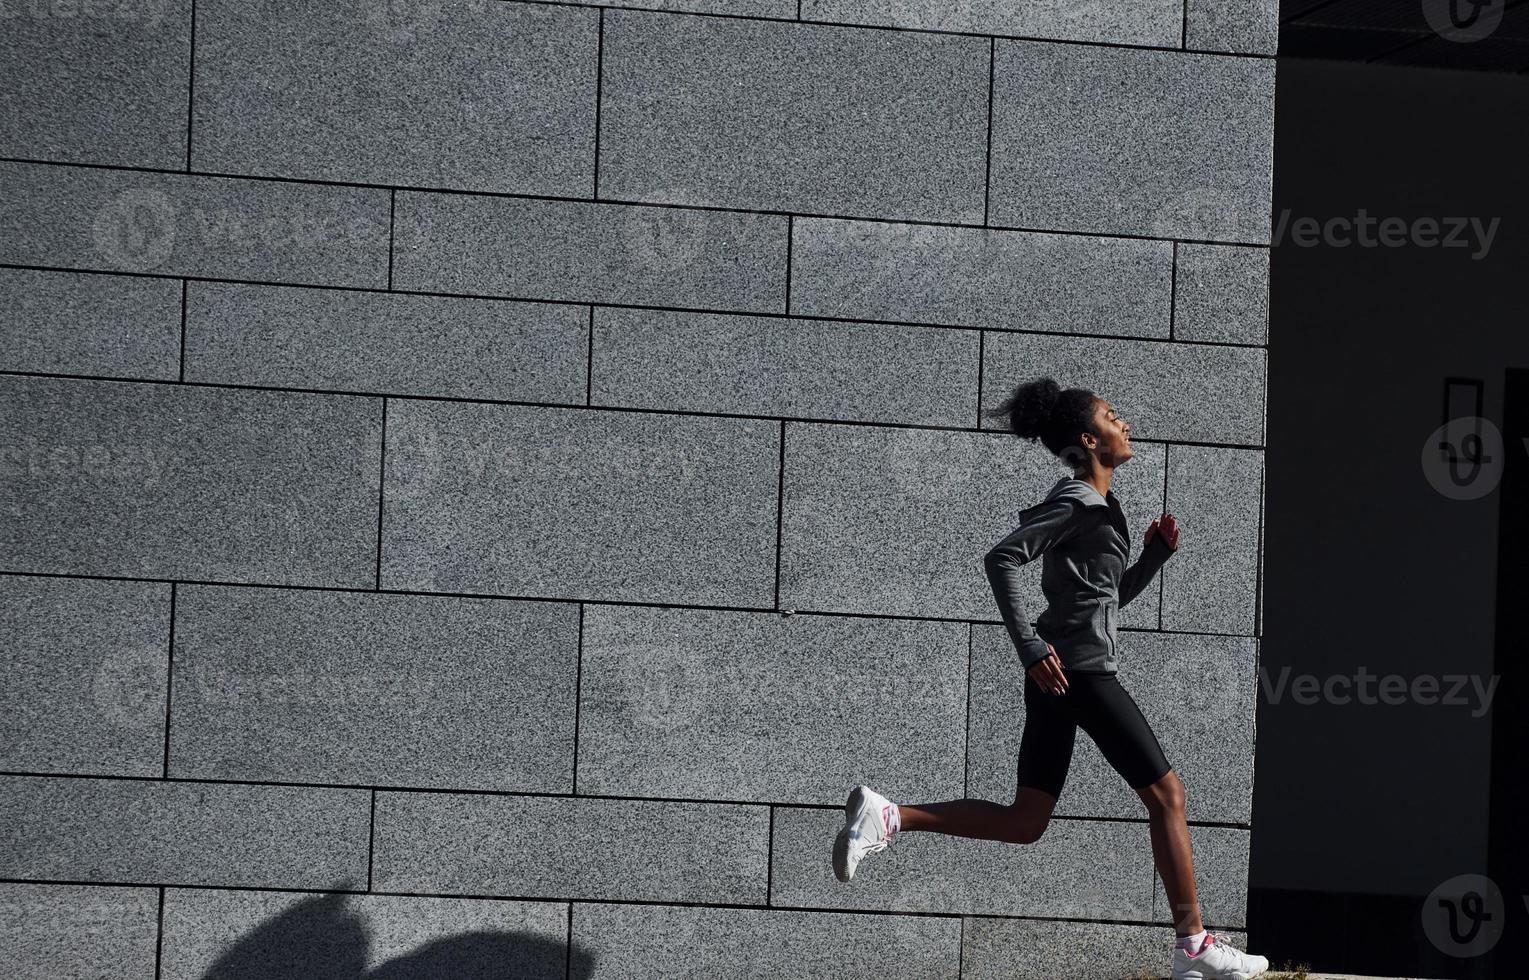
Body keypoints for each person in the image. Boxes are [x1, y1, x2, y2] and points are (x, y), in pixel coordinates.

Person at [831, 376, 1269, 980]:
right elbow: (1002, 557)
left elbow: (1107, 599)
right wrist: (1031, 645)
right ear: (1090, 438)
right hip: (1079, 674)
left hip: (1060, 678)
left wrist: (1152, 560)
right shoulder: (1078, 501)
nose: (1127, 424)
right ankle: (1193, 946)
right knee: (1167, 796)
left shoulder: (1102, 509)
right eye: (1115, 417)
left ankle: (888, 817)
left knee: (1025, 821)